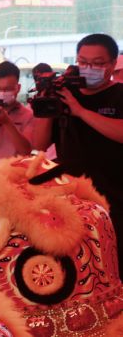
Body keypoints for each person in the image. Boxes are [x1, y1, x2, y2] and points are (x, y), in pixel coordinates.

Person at [32, 33, 123, 278]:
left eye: (98, 63)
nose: (89, 68)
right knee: (78, 271)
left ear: (113, 64)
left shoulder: (119, 95)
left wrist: (80, 111)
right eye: (83, 61)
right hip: (71, 203)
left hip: (115, 200)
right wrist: (47, 101)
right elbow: (38, 144)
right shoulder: (65, 93)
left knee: (115, 268)